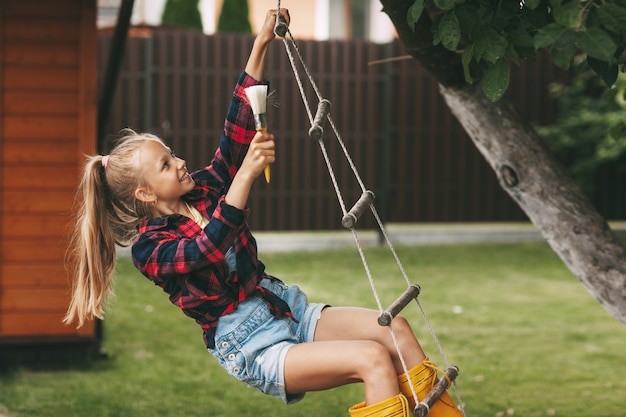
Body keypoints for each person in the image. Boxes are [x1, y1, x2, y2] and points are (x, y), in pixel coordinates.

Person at [64, 9, 463, 417]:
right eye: (166, 164)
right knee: (372, 358)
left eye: (172, 154)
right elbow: (209, 246)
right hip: (252, 345)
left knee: (394, 329)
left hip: (284, 306)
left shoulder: (203, 188)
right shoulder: (152, 250)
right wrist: (248, 175)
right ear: (145, 192)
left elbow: (235, 135)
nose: (180, 162)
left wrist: (261, 43)